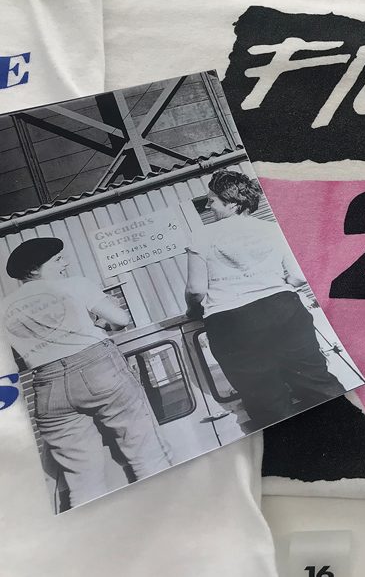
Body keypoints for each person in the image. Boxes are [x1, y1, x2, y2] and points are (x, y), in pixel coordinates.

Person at [0, 237, 172, 509]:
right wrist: (97, 324)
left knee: (82, 481)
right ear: (35, 269)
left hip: (46, 386)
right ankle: (171, 514)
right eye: (57, 261)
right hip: (99, 370)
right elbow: (121, 319)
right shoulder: (74, 285)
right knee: (145, 454)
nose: (65, 263)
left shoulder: (3, 309)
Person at [185, 169, 345, 428]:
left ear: (232, 203)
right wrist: (277, 291)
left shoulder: (201, 236)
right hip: (283, 308)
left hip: (231, 322)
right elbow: (299, 277)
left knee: (265, 399)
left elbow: (195, 290)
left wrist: (193, 310)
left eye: (211, 200)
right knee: (316, 380)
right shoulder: (272, 229)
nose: (208, 205)